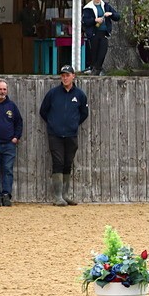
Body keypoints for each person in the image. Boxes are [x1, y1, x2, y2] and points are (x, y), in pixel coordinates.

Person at [39, 65, 89, 206]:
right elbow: (43, 111)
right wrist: (53, 123)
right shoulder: (53, 93)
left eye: (67, 75)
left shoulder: (80, 95)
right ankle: (57, 197)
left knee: (68, 163)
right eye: (62, 75)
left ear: (73, 76)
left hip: (71, 134)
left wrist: (73, 124)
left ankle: (65, 195)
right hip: (55, 134)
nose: (65, 78)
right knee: (58, 162)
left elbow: (84, 114)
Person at [80, 0, 122, 75]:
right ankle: (94, 69)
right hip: (94, 33)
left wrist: (111, 14)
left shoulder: (106, 6)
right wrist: (95, 20)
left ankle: (97, 69)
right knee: (94, 52)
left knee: (102, 52)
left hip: (104, 33)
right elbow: (85, 21)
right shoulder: (88, 8)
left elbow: (117, 16)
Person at [0, 79, 22, 206]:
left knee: (7, 170)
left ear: (7, 91)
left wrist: (16, 137)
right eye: (0, 89)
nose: (2, 92)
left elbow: (19, 122)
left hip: (9, 144)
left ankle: (6, 195)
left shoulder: (12, 106)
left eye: (4, 89)